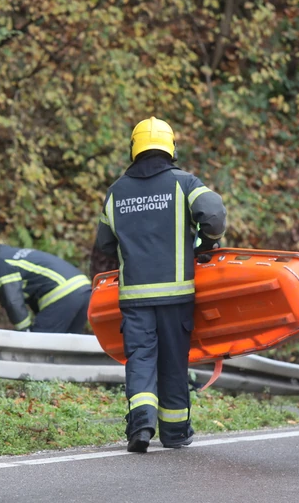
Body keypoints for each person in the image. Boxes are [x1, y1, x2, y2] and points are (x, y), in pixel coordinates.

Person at [90, 117, 227, 453]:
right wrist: (209, 241)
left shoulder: (116, 191)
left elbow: (105, 245)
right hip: (177, 295)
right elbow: (214, 216)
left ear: (134, 148)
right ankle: (176, 431)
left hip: (134, 298)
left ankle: (140, 425)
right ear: (171, 147)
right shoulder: (185, 183)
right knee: (173, 362)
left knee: (140, 359)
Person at [0, 243, 91, 333]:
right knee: (70, 346)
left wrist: (25, 330)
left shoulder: (0, 263)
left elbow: (12, 301)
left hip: (63, 293)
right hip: (84, 287)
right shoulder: (9, 253)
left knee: (38, 346)